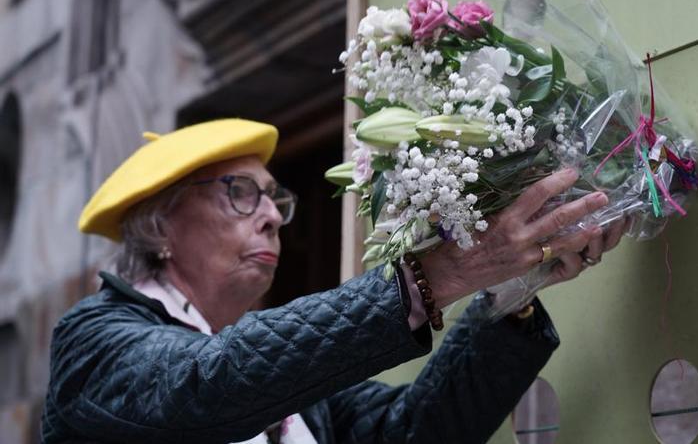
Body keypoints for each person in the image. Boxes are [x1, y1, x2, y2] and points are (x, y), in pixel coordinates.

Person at [41, 118, 626, 444]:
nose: (271, 216)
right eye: (240, 194)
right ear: (160, 226)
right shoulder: (93, 339)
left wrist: (509, 290)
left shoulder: (288, 374)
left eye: (274, 199)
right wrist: (448, 269)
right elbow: (206, 384)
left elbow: (415, 431)